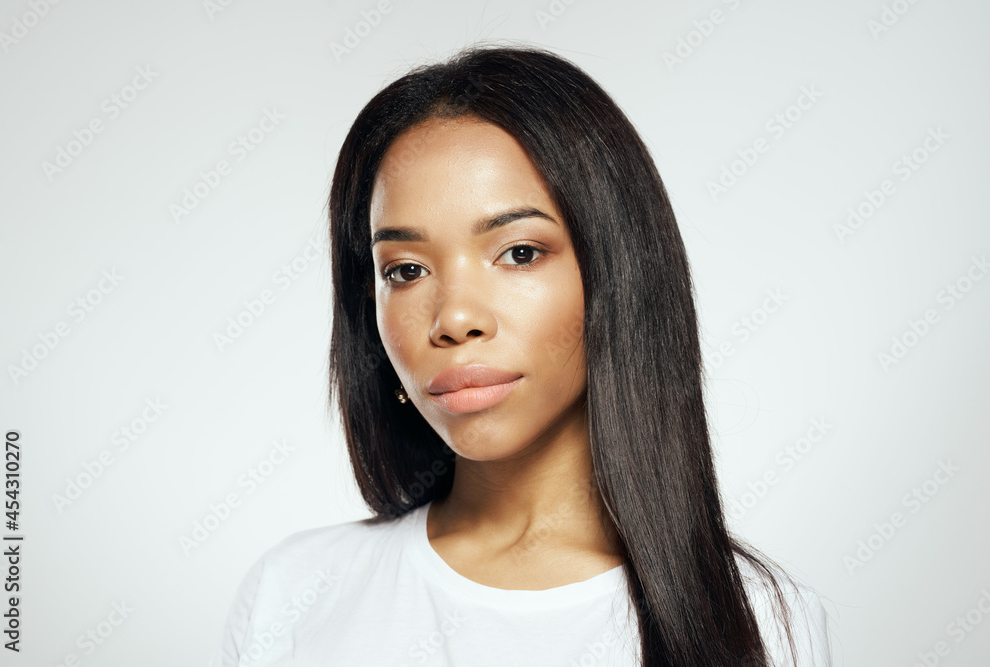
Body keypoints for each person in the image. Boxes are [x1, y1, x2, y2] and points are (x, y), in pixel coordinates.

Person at [216, 43, 831, 666]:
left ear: (616, 274)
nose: (455, 317)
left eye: (519, 253)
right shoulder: (294, 593)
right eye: (406, 269)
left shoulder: (757, 621)